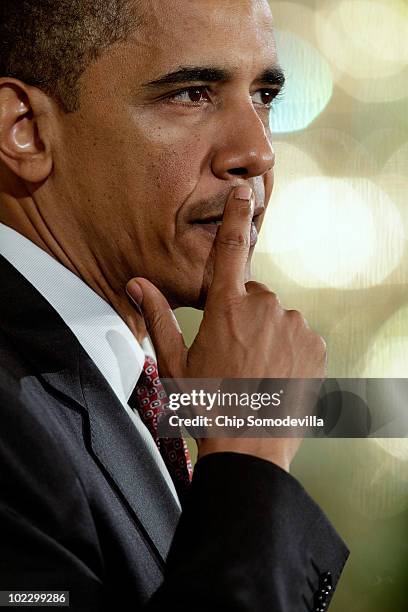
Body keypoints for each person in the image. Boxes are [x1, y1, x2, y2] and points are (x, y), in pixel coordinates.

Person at [0, 1, 349, 610]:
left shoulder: (134, 388)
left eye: (265, 95)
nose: (258, 152)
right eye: (191, 94)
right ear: (24, 128)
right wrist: (247, 455)